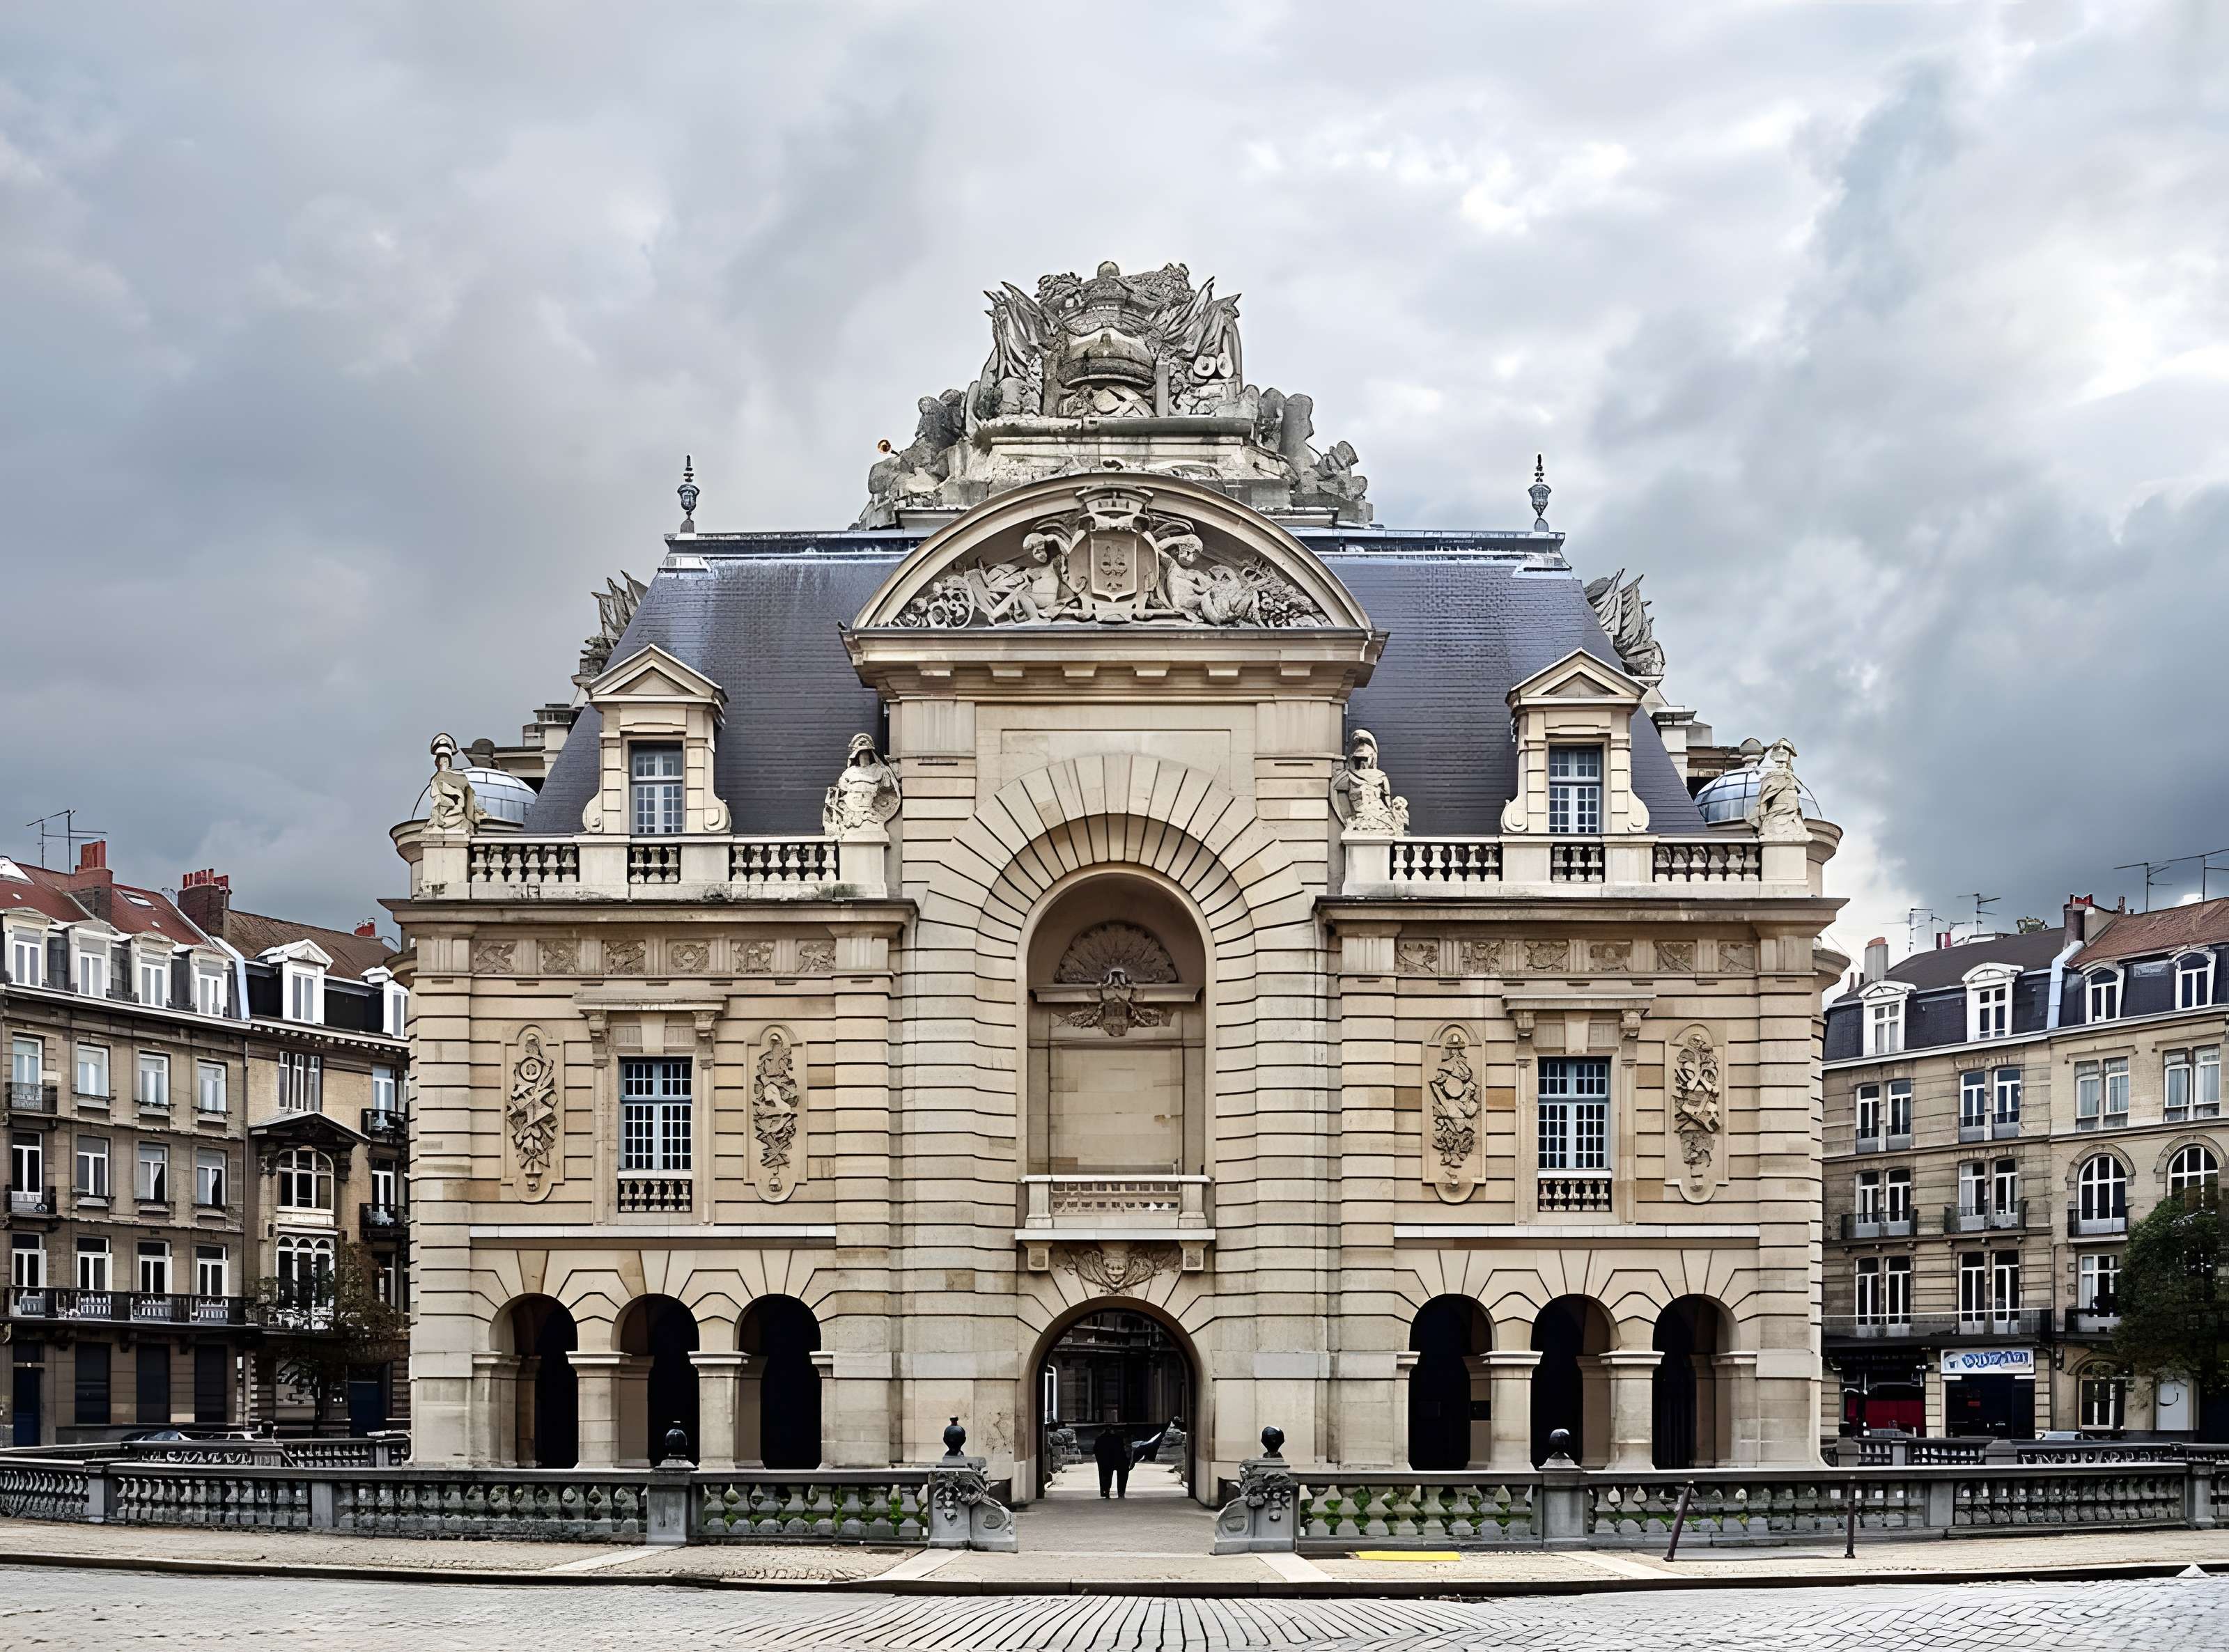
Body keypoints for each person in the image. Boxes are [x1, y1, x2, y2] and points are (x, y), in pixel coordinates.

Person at [1092, 1421, 1132, 1499]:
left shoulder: (1100, 1439)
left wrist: (1100, 1461)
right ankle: (1121, 1493)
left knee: (1105, 1475)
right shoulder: (1120, 1438)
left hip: (1106, 1460)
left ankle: (1106, 1492)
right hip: (1119, 1459)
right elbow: (1127, 1450)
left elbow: (1096, 1451)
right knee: (1122, 1474)